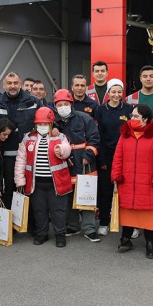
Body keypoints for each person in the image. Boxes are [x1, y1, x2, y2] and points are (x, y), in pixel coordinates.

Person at [111, 104, 153, 259]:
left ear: (145, 119)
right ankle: (126, 239)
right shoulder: (125, 134)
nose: (132, 119)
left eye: (136, 116)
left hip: (148, 183)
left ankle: (150, 243)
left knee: (149, 215)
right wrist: (116, 175)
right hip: (128, 181)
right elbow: (118, 157)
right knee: (128, 212)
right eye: (132, 115)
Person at [0, 72, 41, 209]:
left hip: (30, 155)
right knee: (9, 189)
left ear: (20, 84)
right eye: (9, 83)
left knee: (31, 187)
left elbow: (48, 118)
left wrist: (55, 129)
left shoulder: (33, 102)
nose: (13, 86)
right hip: (6, 157)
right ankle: (10, 222)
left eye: (15, 83)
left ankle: (30, 223)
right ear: (4, 85)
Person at [15, 108, 73, 247]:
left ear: (51, 124)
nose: (42, 127)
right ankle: (42, 234)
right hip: (36, 184)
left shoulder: (60, 137)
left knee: (58, 211)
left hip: (56, 183)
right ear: (35, 125)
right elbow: (21, 159)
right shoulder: (28, 138)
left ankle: (60, 235)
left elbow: (67, 149)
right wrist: (19, 180)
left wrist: (61, 150)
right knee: (39, 210)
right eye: (40, 124)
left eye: (45, 124)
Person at [53, 89, 101, 242]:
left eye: (65, 104)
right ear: (55, 106)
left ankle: (89, 228)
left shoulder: (84, 118)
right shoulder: (53, 123)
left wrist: (88, 155)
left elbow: (95, 138)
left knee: (87, 196)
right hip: (65, 165)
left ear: (71, 104)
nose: (63, 107)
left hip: (85, 164)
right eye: (59, 104)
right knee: (68, 195)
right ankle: (73, 225)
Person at [93, 79, 133, 236]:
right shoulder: (100, 110)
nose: (116, 95)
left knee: (127, 190)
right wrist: (101, 159)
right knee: (105, 190)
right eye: (113, 91)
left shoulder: (129, 109)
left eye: (119, 92)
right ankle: (104, 222)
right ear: (108, 93)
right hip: (106, 155)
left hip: (125, 155)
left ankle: (130, 225)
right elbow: (98, 135)